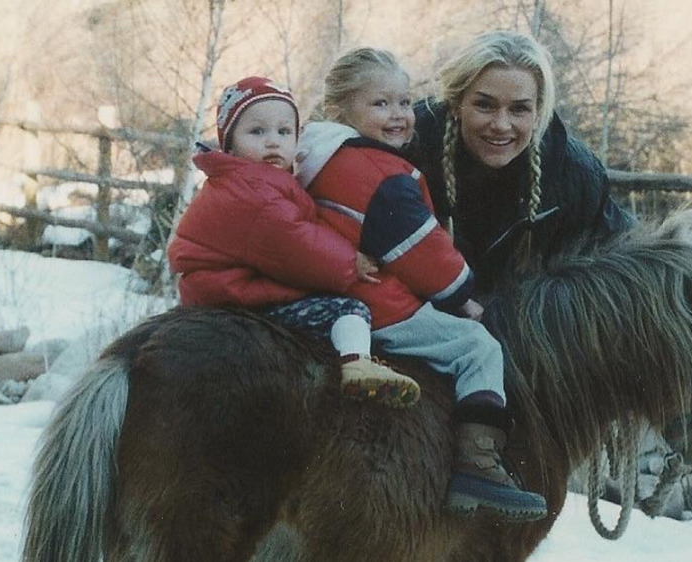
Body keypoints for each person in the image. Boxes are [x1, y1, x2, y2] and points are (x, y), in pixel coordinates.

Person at [296, 48, 548, 521]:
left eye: (403, 102)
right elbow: (421, 251)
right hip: (379, 304)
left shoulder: (315, 158)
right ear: (339, 110)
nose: (397, 116)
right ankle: (478, 463)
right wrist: (463, 295)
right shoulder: (379, 174)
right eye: (380, 104)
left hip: (330, 296)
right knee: (477, 347)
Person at [167, 76, 421, 408]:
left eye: (284, 132)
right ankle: (357, 362)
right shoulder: (253, 191)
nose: (273, 143)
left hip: (228, 285)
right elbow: (294, 243)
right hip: (233, 296)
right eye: (257, 132)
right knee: (350, 308)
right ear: (229, 145)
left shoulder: (252, 181)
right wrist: (350, 261)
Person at [409, 30, 634, 293]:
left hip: (528, 323)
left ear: (538, 113)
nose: (501, 125)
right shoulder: (411, 141)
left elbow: (621, 255)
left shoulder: (574, 173)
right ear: (457, 103)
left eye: (519, 109)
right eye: (484, 105)